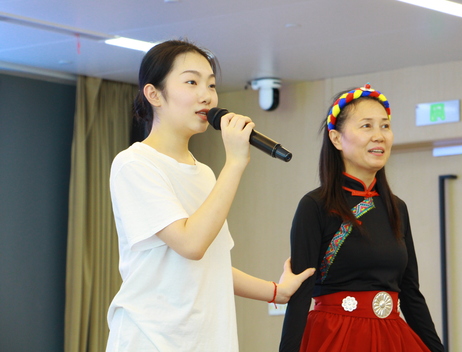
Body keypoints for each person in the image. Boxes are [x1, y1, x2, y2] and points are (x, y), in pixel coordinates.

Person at [106, 39, 314, 352]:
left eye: (212, 85)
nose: (207, 96)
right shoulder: (134, 164)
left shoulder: (203, 173)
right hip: (150, 339)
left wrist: (276, 292)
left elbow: (212, 266)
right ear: (153, 94)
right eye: (191, 82)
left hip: (208, 339)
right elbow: (191, 244)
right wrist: (235, 163)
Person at [279, 85, 444, 352]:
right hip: (335, 336)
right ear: (336, 139)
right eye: (366, 126)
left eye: (385, 126)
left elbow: (411, 294)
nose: (379, 136)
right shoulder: (315, 205)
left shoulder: (397, 208)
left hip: (392, 336)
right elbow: (299, 294)